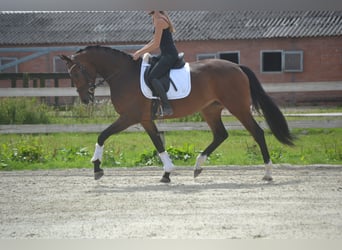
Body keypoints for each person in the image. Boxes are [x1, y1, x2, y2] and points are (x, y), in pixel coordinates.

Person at [133, 11, 179, 116]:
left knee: (152, 77)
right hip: (165, 54)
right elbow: (153, 41)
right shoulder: (155, 19)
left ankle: (167, 106)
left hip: (169, 56)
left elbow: (156, 44)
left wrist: (140, 52)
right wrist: (140, 51)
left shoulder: (159, 21)